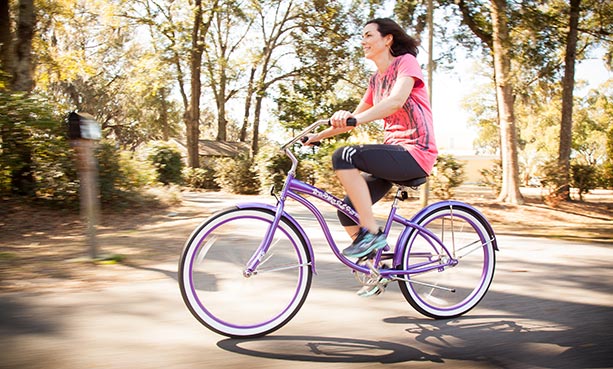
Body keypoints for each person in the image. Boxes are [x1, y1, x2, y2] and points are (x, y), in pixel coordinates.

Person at [303, 18, 438, 270]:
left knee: (345, 155)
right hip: (394, 153)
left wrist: (354, 119)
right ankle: (379, 267)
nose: (362, 41)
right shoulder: (375, 80)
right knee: (346, 211)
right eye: (362, 36)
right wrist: (316, 136)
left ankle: (372, 234)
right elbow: (351, 121)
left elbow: (395, 102)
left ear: (387, 39)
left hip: (415, 152)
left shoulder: (405, 63)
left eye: (368, 35)